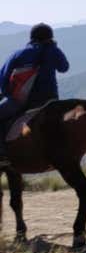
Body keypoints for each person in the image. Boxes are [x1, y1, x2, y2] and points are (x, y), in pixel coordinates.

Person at [0, 23, 70, 167]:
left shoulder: (18, 54)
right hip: (50, 98)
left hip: (22, 100)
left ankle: (2, 156)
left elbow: (3, 78)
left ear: (32, 38)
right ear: (50, 37)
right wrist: (54, 49)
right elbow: (64, 68)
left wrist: (8, 94)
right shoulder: (53, 51)